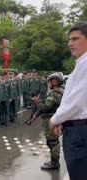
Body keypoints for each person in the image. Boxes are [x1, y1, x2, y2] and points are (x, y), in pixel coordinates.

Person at [49, 22, 87, 180]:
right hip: (75, 127)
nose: (70, 43)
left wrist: (55, 119)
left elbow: (77, 100)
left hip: (79, 131)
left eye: (75, 39)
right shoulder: (80, 64)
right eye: (70, 39)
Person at [30, 72, 64, 170]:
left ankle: (54, 163)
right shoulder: (58, 92)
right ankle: (54, 160)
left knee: (53, 142)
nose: (48, 83)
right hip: (53, 120)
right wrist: (36, 115)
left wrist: (37, 101)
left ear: (54, 82)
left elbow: (45, 107)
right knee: (52, 142)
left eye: (49, 81)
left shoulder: (55, 94)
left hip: (51, 121)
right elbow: (46, 106)